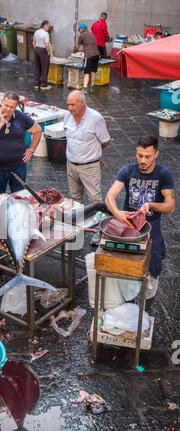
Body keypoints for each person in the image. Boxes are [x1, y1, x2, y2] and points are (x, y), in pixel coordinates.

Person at [105, 135, 176, 310]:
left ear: (156, 154)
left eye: (147, 156)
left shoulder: (163, 174)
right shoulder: (127, 171)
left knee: (152, 270)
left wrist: (151, 204)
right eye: (139, 155)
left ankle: (146, 309)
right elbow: (110, 196)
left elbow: (171, 206)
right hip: (128, 226)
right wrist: (117, 213)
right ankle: (127, 306)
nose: (142, 160)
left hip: (152, 227)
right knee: (125, 268)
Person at [64, 90, 110, 244]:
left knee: (95, 201)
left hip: (89, 167)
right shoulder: (67, 117)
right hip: (71, 165)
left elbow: (105, 140)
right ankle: (77, 230)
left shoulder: (96, 119)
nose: (70, 108)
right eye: (68, 104)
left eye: (73, 104)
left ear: (82, 104)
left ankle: (99, 232)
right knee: (75, 200)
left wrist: (91, 154)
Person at [0, 91, 42, 194]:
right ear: (1, 102)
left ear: (16, 107)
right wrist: (1, 124)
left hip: (18, 166)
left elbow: (38, 130)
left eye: (12, 107)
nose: (8, 109)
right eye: (6, 105)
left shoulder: (21, 117)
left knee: (19, 197)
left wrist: (31, 149)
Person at [75, 23, 100, 93]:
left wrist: (74, 50)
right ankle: (92, 88)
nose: (79, 31)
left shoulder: (82, 36)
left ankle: (84, 89)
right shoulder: (92, 34)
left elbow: (77, 47)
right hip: (96, 54)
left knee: (87, 72)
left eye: (79, 29)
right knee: (93, 71)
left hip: (89, 56)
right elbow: (91, 45)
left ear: (82, 29)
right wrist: (83, 50)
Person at [33, 20, 53, 90]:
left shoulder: (36, 32)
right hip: (43, 50)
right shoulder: (46, 34)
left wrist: (36, 49)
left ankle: (36, 83)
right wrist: (48, 52)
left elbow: (34, 42)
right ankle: (43, 84)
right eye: (48, 26)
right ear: (44, 25)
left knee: (37, 66)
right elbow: (47, 45)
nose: (49, 28)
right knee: (44, 67)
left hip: (36, 49)